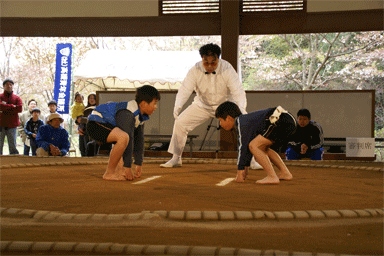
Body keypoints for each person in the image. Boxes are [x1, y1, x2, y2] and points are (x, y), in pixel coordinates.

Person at [161, 43, 253, 168]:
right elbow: (185, 89)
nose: (209, 66)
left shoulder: (227, 68)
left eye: (213, 63)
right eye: (206, 62)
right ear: (202, 59)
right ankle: (176, 157)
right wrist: (178, 106)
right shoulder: (195, 70)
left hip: (225, 105)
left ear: (218, 59)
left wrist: (241, 110)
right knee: (180, 123)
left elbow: (238, 91)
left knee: (245, 124)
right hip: (202, 105)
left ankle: (252, 159)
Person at [87, 85, 160, 181]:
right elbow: (129, 139)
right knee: (124, 137)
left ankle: (119, 170)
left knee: (123, 139)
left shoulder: (140, 116)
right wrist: (128, 168)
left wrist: (138, 164)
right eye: (154, 103)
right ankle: (109, 173)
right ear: (143, 104)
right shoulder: (128, 113)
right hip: (95, 124)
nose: (156, 107)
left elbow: (139, 141)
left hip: (106, 125)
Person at [215, 101, 297, 184]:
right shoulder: (246, 121)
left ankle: (272, 176)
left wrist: (240, 170)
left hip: (279, 121)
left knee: (254, 146)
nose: (220, 124)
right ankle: (285, 173)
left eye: (221, 120)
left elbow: (243, 147)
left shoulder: (241, 122)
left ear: (229, 118)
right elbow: (246, 147)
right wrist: (245, 167)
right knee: (261, 148)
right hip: (287, 120)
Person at [0, 78, 23, 155]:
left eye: (11, 84)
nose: (9, 86)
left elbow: (19, 108)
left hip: (12, 125)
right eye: (7, 84)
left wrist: (5, 107)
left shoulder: (17, 98)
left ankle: (14, 163)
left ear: (13, 86)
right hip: (1, 124)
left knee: (12, 145)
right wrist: (12, 106)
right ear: (3, 86)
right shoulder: (0, 96)